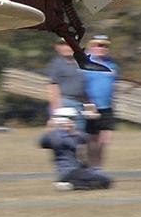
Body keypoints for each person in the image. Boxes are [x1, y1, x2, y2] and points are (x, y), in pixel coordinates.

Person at [39, 106, 112, 190]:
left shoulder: (74, 134)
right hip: (68, 171)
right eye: (71, 119)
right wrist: (50, 129)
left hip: (77, 170)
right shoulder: (56, 135)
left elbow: (88, 138)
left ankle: (70, 185)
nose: (72, 122)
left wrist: (91, 121)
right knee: (103, 181)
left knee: (104, 181)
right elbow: (46, 142)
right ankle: (71, 185)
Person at [84, 33, 119, 171]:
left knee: (104, 139)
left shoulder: (112, 64)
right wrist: (87, 102)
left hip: (107, 107)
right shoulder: (85, 63)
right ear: (92, 46)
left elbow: (114, 84)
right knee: (91, 139)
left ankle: (98, 167)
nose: (101, 48)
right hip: (91, 106)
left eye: (104, 46)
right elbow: (81, 84)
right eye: (98, 45)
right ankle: (90, 165)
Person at [43, 41, 88, 119]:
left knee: (79, 129)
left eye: (69, 45)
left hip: (80, 102)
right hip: (64, 102)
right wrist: (55, 105)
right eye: (63, 45)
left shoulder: (82, 62)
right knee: (63, 129)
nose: (66, 48)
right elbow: (53, 85)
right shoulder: (57, 63)